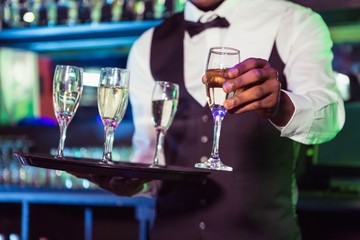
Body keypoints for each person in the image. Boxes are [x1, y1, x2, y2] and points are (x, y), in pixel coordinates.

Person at [82, 0, 345, 239]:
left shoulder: (296, 21)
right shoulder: (146, 45)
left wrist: (280, 106)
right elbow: (150, 155)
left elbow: (329, 119)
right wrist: (131, 182)